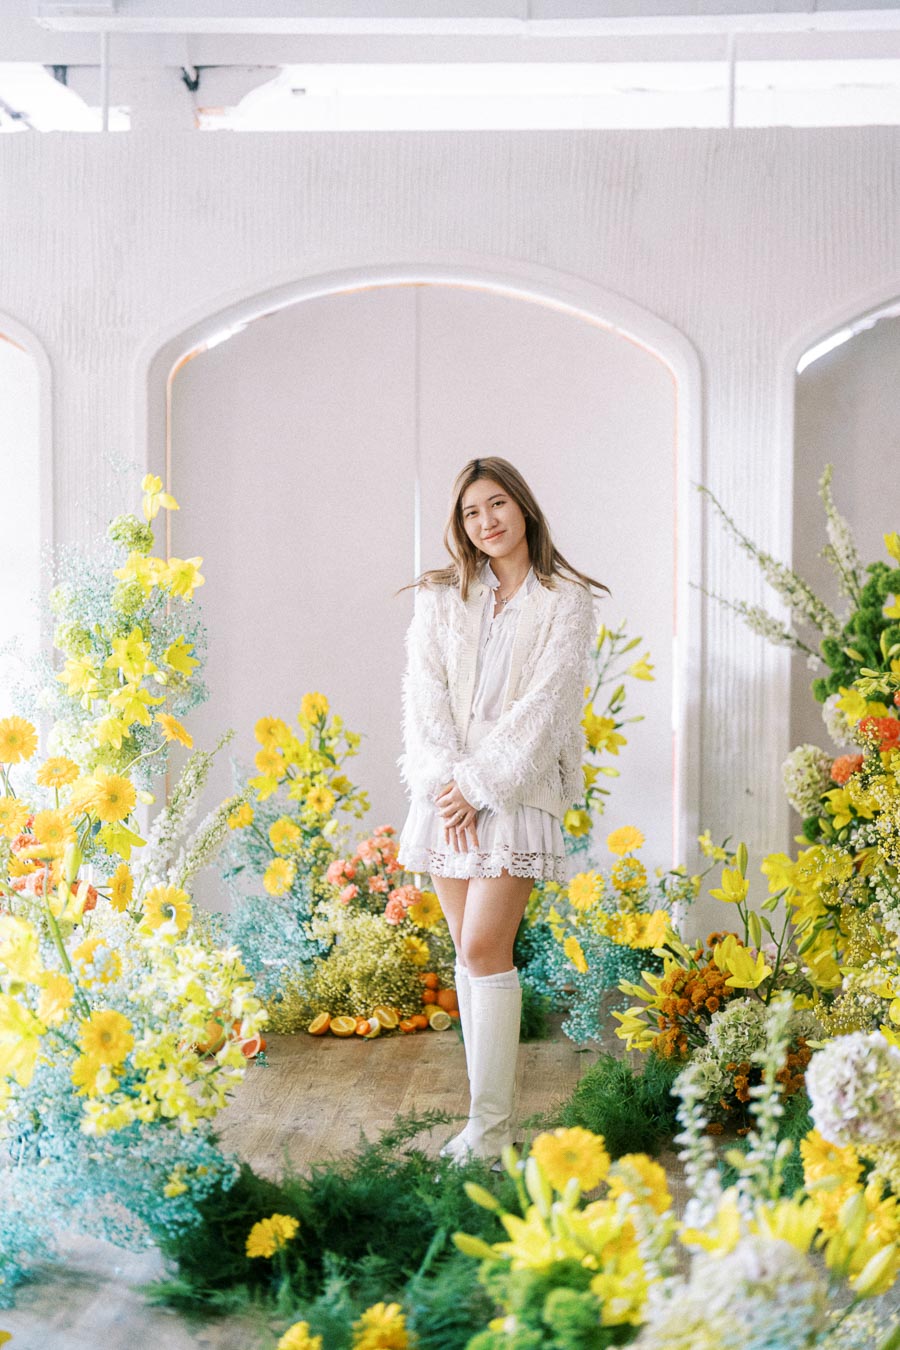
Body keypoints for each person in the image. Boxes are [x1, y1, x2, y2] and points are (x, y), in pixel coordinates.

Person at [395, 456, 608, 1163]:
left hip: (514, 788)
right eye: (469, 513)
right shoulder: (440, 597)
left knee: (487, 947)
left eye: (496, 506)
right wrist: (447, 781)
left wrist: (483, 783)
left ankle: (490, 1132)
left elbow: (548, 706)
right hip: (446, 790)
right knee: (468, 955)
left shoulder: (565, 598)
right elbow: (421, 693)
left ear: (523, 507)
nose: (485, 522)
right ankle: (483, 1129)